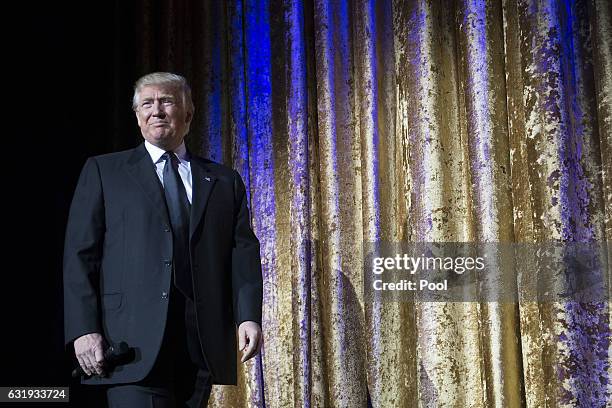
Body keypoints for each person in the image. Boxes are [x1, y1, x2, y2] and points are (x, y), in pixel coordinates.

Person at [63, 72, 263, 407]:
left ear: (188, 113)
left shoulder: (224, 181)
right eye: (147, 104)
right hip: (129, 345)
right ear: (138, 117)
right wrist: (84, 329)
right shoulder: (104, 172)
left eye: (167, 101)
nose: (157, 110)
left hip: (199, 346)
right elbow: (80, 255)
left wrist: (248, 316)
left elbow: (241, 253)